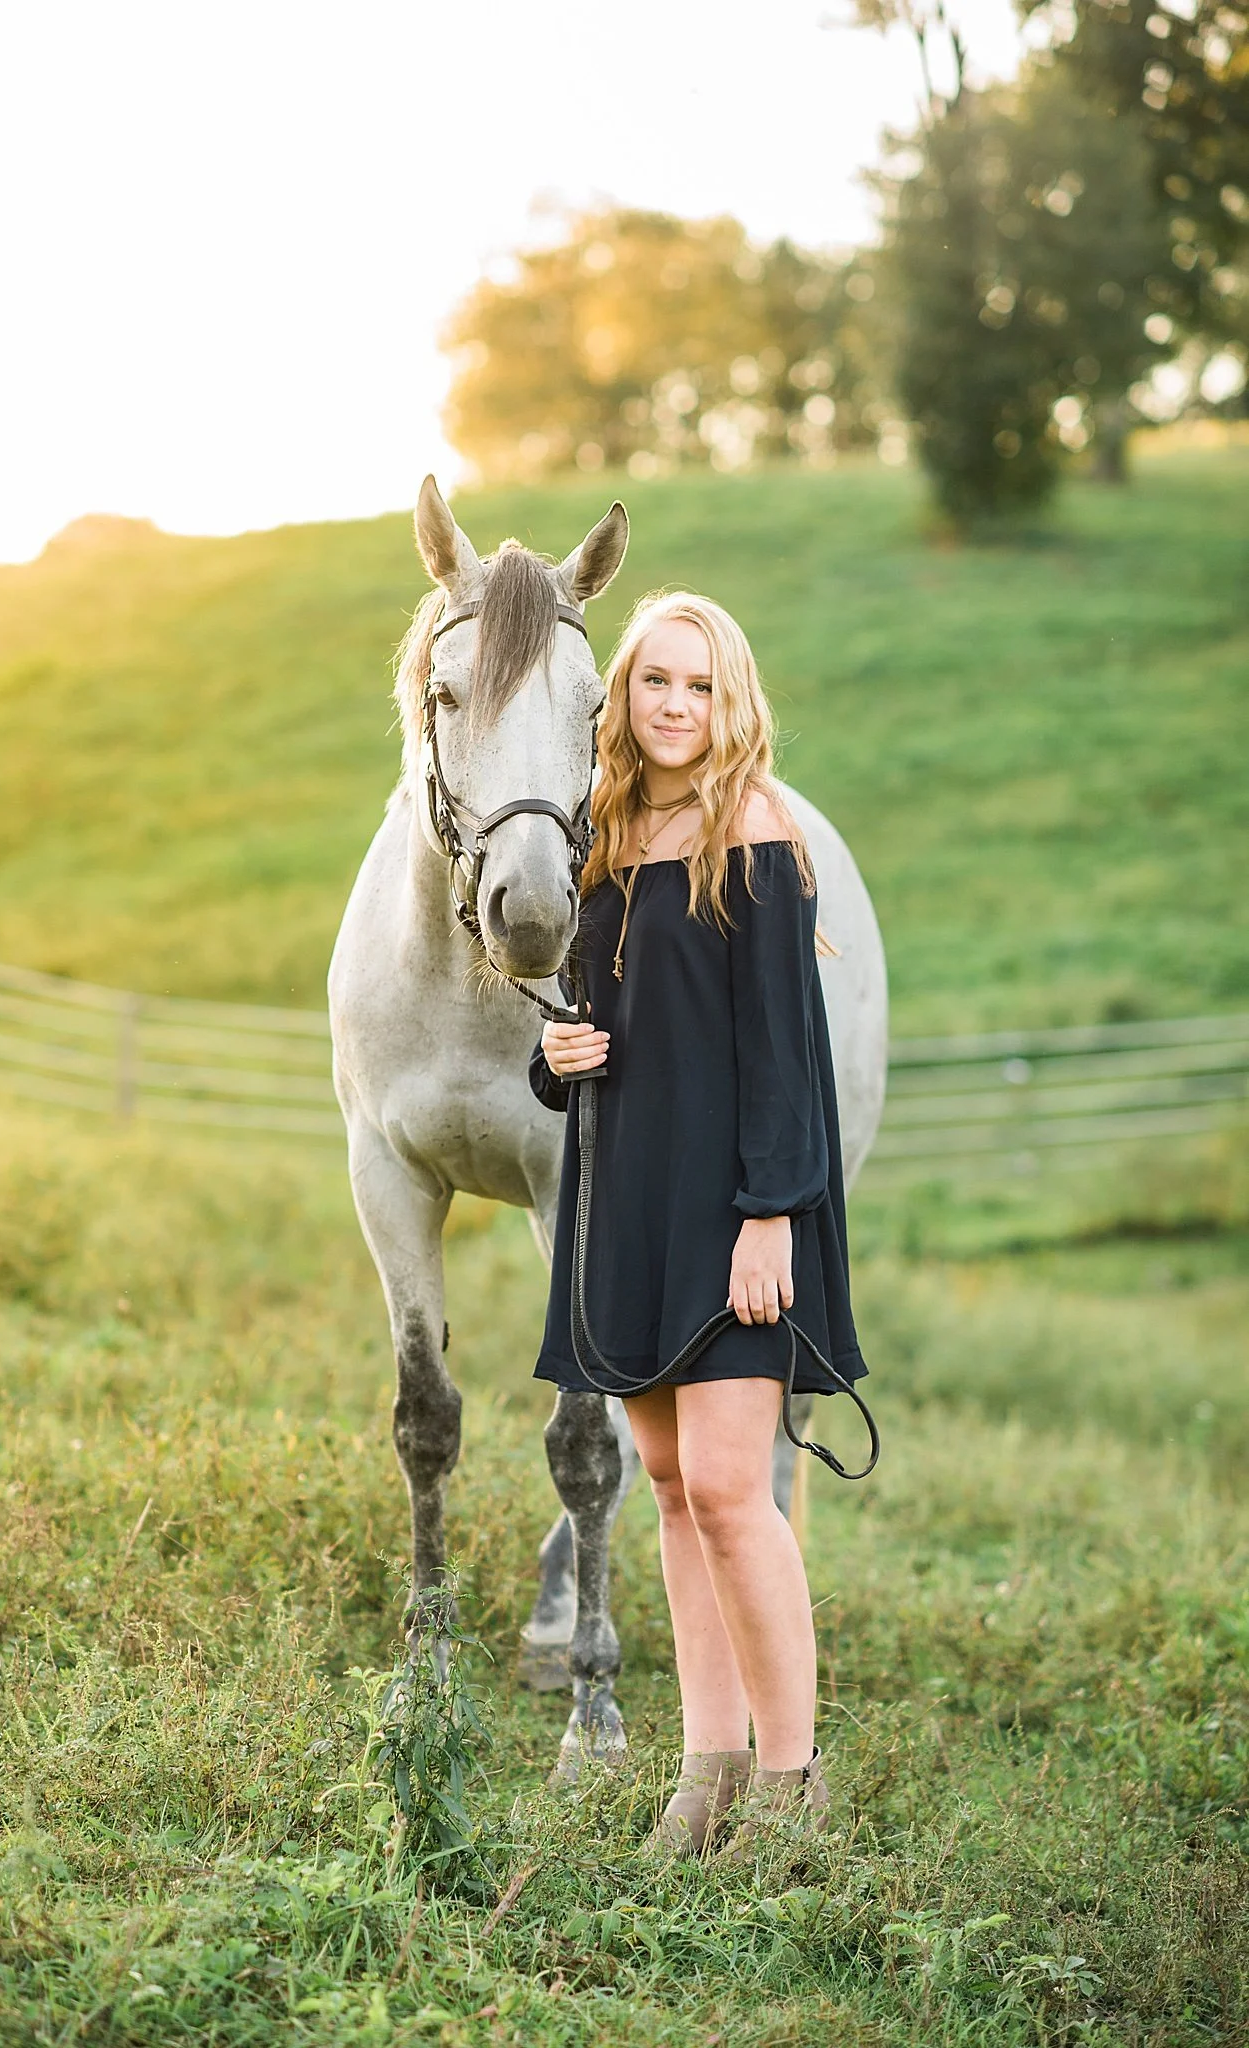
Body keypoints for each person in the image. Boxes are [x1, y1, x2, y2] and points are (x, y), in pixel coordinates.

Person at [528, 591, 868, 1861]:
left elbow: (783, 1049)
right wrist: (554, 1057)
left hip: (736, 1207)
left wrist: (770, 1215)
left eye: (700, 686)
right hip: (629, 1202)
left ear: (731, 702)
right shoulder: (601, 841)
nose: (674, 705)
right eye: (654, 681)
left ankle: (790, 1786)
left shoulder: (756, 830)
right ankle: (703, 1772)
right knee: (668, 1485)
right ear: (621, 696)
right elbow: (577, 1042)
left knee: (731, 1484)